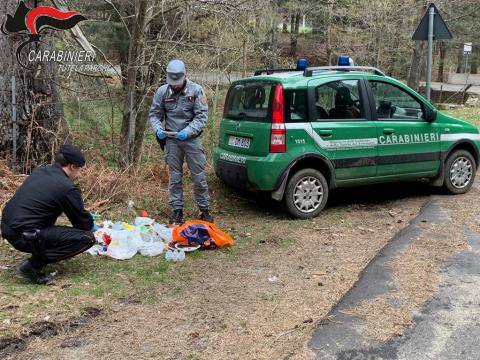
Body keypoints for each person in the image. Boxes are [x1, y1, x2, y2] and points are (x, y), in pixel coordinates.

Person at [0, 145, 97, 284]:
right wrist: (95, 227)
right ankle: (32, 266)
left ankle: (39, 250)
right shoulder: (67, 187)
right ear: (72, 167)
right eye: (79, 169)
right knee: (87, 238)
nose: (78, 173)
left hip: (7, 228)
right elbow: (82, 224)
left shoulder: (40, 172)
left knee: (51, 228)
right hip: (25, 235)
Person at [149, 59, 213, 225]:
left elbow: (201, 117)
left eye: (178, 82)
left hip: (191, 140)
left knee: (198, 176)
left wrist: (188, 131)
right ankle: (177, 211)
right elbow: (155, 114)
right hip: (172, 141)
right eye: (173, 83)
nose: (176, 86)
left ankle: (204, 210)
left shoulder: (196, 91)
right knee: (175, 177)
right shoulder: (162, 92)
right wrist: (157, 129)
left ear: (185, 75)